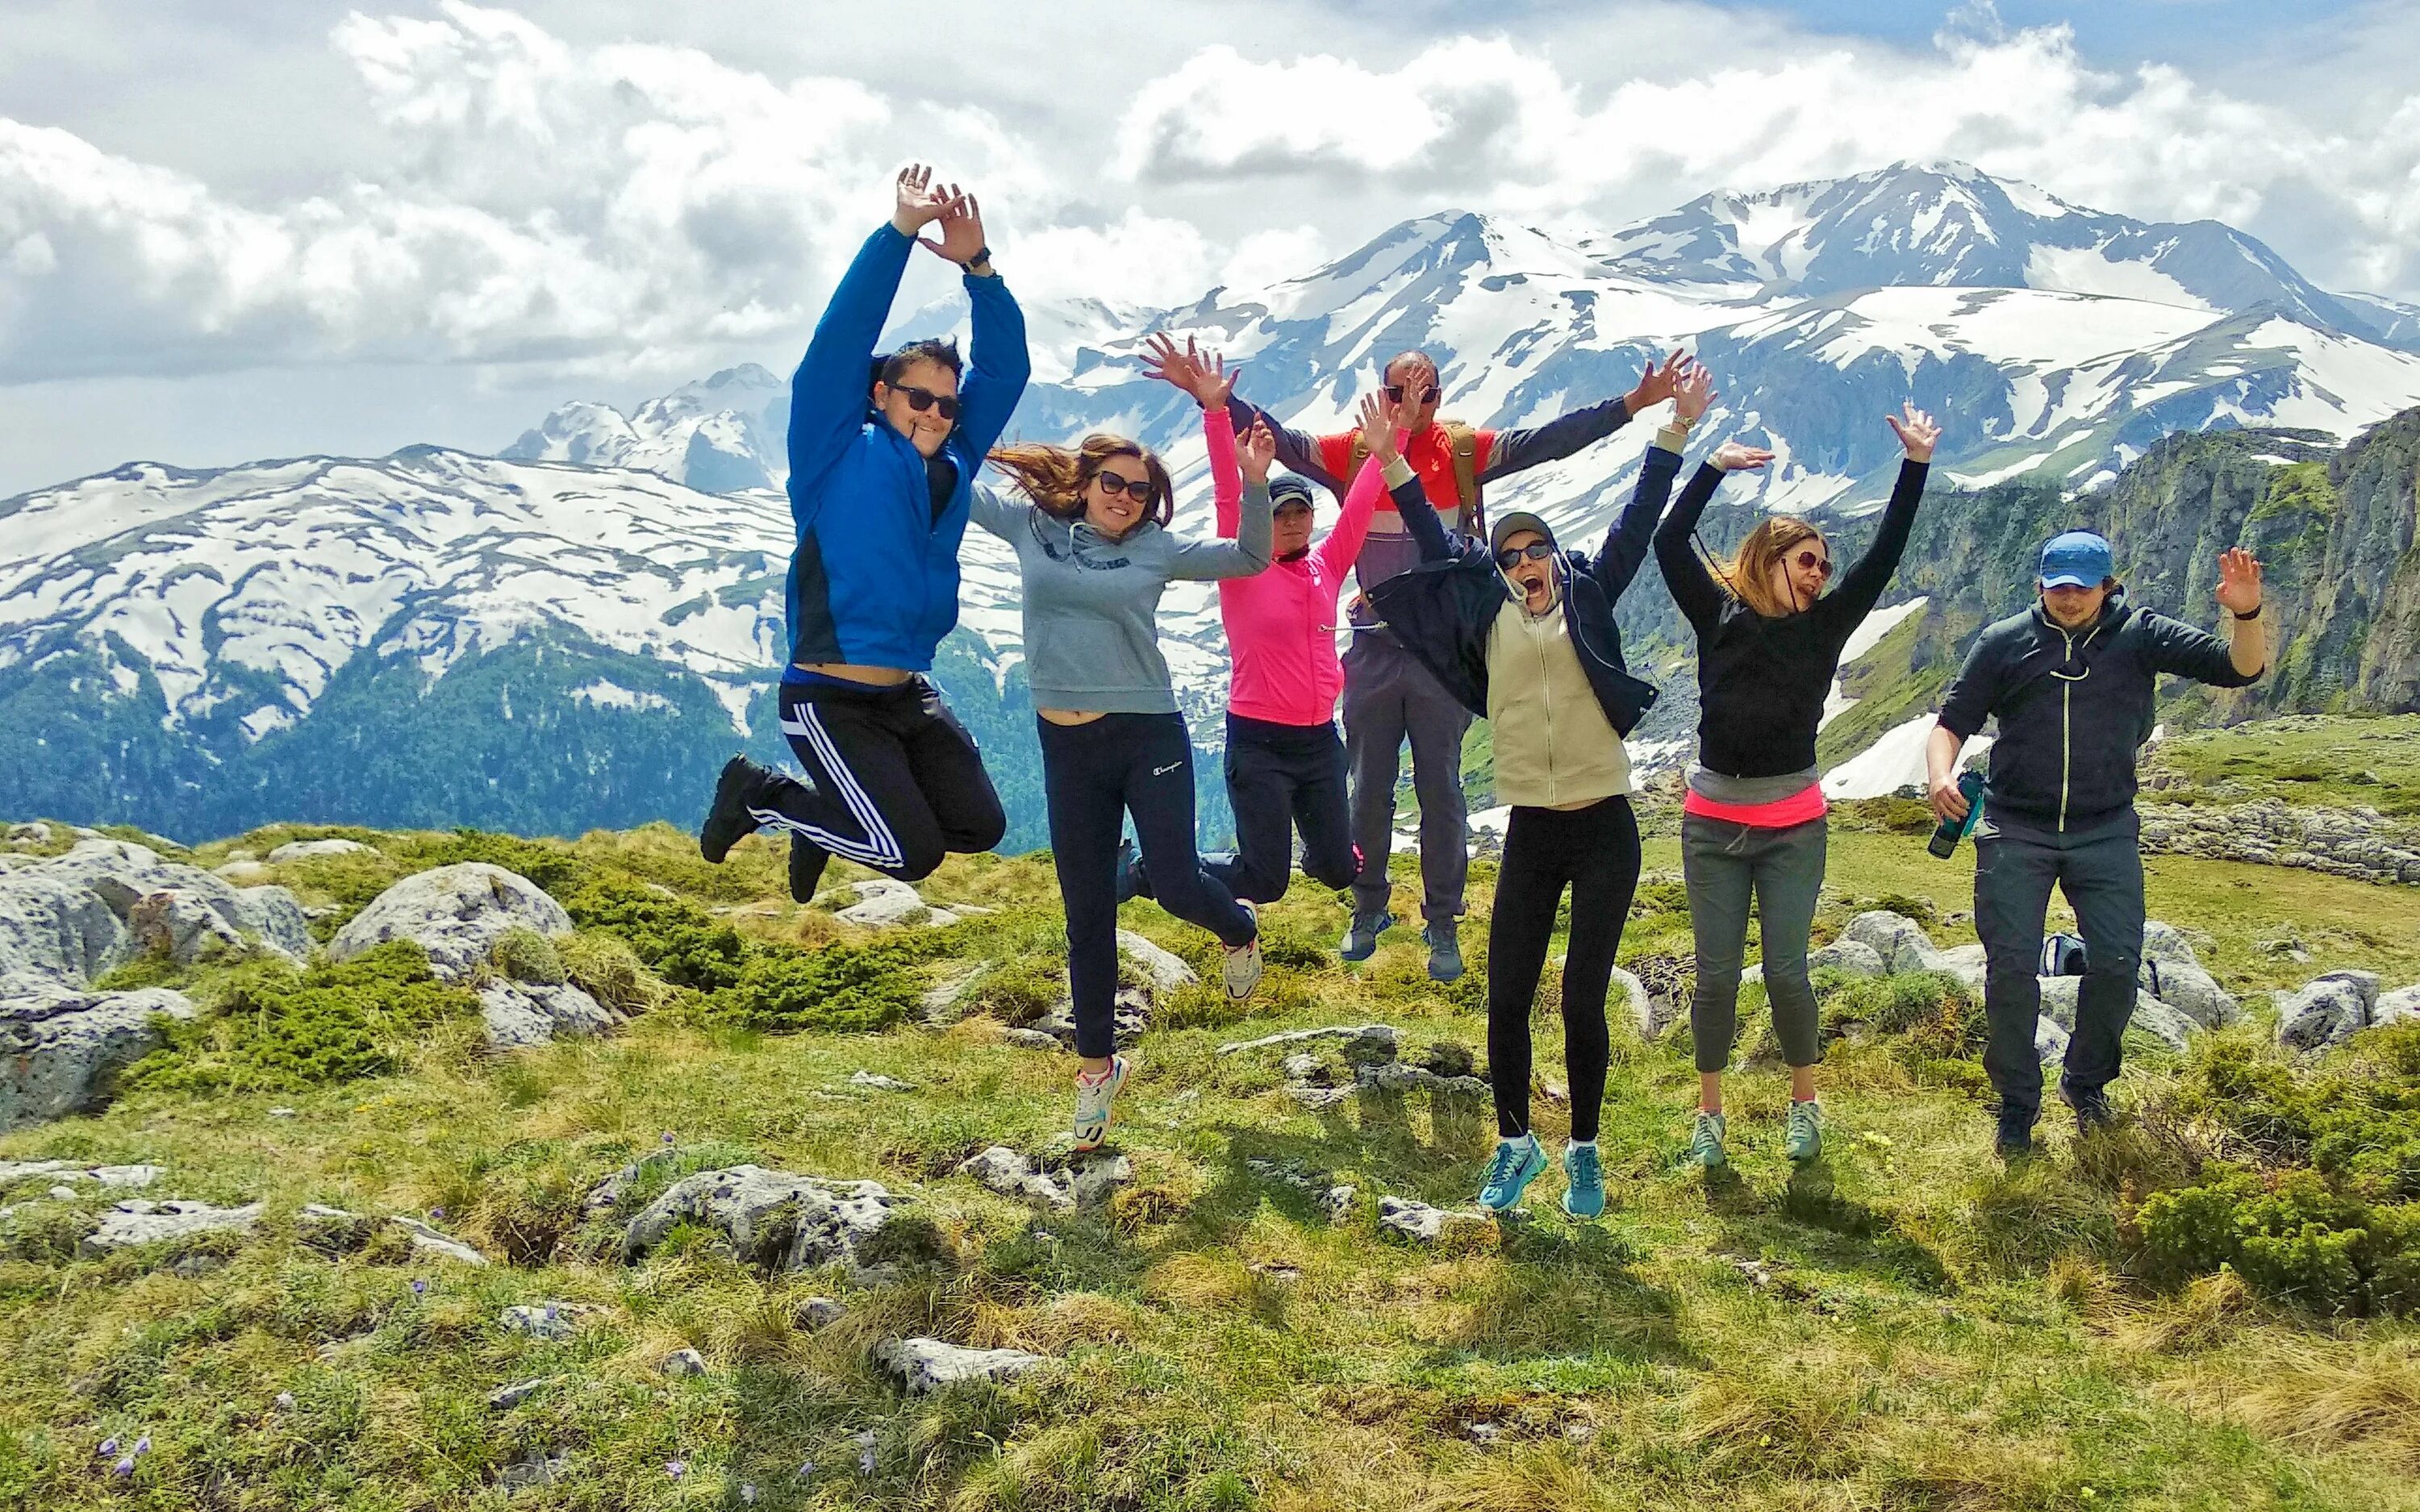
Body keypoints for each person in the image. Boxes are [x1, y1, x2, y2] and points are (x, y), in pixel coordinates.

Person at [1176, 345, 1671, 980]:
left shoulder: (1462, 451)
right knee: (1369, 789)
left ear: (1442, 396)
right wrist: (1213, 400)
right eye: (1397, 392)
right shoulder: (1354, 451)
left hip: (1440, 654)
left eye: (1427, 392)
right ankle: (1369, 908)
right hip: (1376, 648)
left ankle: (1443, 922)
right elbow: (1283, 440)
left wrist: (1633, 404)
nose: (1411, 402)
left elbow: (1550, 440)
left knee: (1442, 790)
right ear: (1379, 395)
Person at [1365, 353, 1692, 1219]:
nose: (1522, 561)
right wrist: (1392, 460)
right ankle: (1517, 1143)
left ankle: (1584, 1153)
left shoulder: (1592, 596)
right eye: (1509, 553)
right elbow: (1435, 544)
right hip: (1534, 833)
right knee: (1506, 997)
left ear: (1552, 553)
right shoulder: (1486, 614)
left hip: (1607, 830)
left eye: (1533, 547)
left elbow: (1638, 517)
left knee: (1583, 999)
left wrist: (1675, 429)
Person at [699, 165, 1028, 903]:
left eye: (947, 403)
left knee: (978, 826)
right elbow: (836, 343)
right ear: (881, 395)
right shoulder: (834, 451)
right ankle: (764, 796)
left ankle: (828, 822)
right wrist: (900, 235)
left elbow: (1008, 371)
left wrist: (981, 268)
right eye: (919, 397)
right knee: (909, 856)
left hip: (909, 693)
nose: (937, 413)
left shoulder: (952, 460)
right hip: (828, 698)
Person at [973, 402, 1279, 1152]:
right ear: (1084, 482)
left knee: (1174, 880)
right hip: (1066, 745)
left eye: (1139, 490)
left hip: (1148, 732)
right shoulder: (1031, 528)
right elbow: (954, 487)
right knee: (1087, 914)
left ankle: (1238, 928)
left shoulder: (1154, 549)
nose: (1124, 497)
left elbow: (1249, 557)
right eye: (1113, 482)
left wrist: (1255, 481)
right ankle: (1095, 1071)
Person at [1655, 378, 1941, 1171]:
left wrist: (1914, 464)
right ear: (1769, 559)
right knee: (1715, 980)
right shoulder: (1717, 615)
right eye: (1806, 561)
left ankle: (1805, 1106)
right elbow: (1668, 544)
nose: (1819, 574)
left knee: (1784, 972)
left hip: (1792, 829)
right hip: (1712, 826)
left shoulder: (1824, 629)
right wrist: (1708, 467)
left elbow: (1884, 555)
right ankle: (1708, 1121)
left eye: (1823, 564)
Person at [1926, 531, 2268, 1159]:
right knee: (2010, 971)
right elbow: (1952, 723)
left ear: (2108, 585)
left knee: (2116, 964)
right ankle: (2016, 1105)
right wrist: (1941, 774)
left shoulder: (2141, 634)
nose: (2070, 598)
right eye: (2058, 587)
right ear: (2040, 587)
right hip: (2014, 825)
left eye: (2083, 586)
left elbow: (2240, 666)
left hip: (2105, 825)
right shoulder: (2004, 642)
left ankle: (2086, 1087)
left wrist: (2245, 611)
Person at [1133, 337, 1430, 908]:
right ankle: (1150, 869)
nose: (1292, 525)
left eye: (1302, 514)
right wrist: (1215, 412)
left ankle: (1328, 851)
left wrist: (1395, 438)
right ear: (1263, 521)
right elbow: (1229, 493)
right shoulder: (1241, 568)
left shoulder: (1325, 566)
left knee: (1341, 871)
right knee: (1265, 881)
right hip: (1260, 743)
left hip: (1321, 741)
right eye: (1280, 515)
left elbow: (1366, 499)